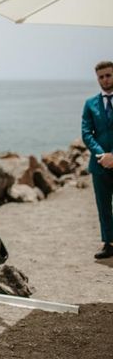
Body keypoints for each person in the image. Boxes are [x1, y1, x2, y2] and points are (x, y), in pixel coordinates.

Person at [81, 60, 113, 260]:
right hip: (99, 164)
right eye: (101, 76)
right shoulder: (90, 103)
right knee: (103, 206)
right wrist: (102, 155)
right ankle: (109, 243)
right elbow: (86, 133)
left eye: (108, 75)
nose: (105, 79)